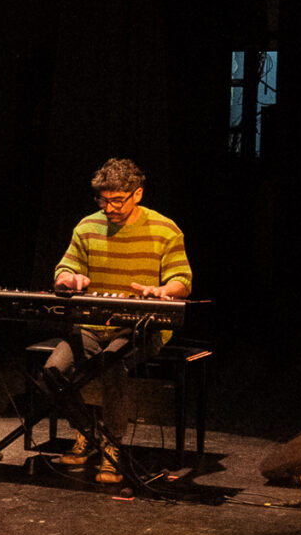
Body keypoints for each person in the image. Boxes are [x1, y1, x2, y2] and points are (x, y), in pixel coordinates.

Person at [46, 158, 192, 482]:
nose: (109, 207)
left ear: (137, 194)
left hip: (140, 328)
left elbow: (182, 280)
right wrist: (68, 279)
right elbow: (64, 269)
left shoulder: (165, 229)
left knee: (112, 362)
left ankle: (112, 448)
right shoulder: (87, 227)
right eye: (103, 199)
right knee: (52, 371)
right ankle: (89, 432)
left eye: (117, 200)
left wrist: (163, 290)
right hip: (92, 326)